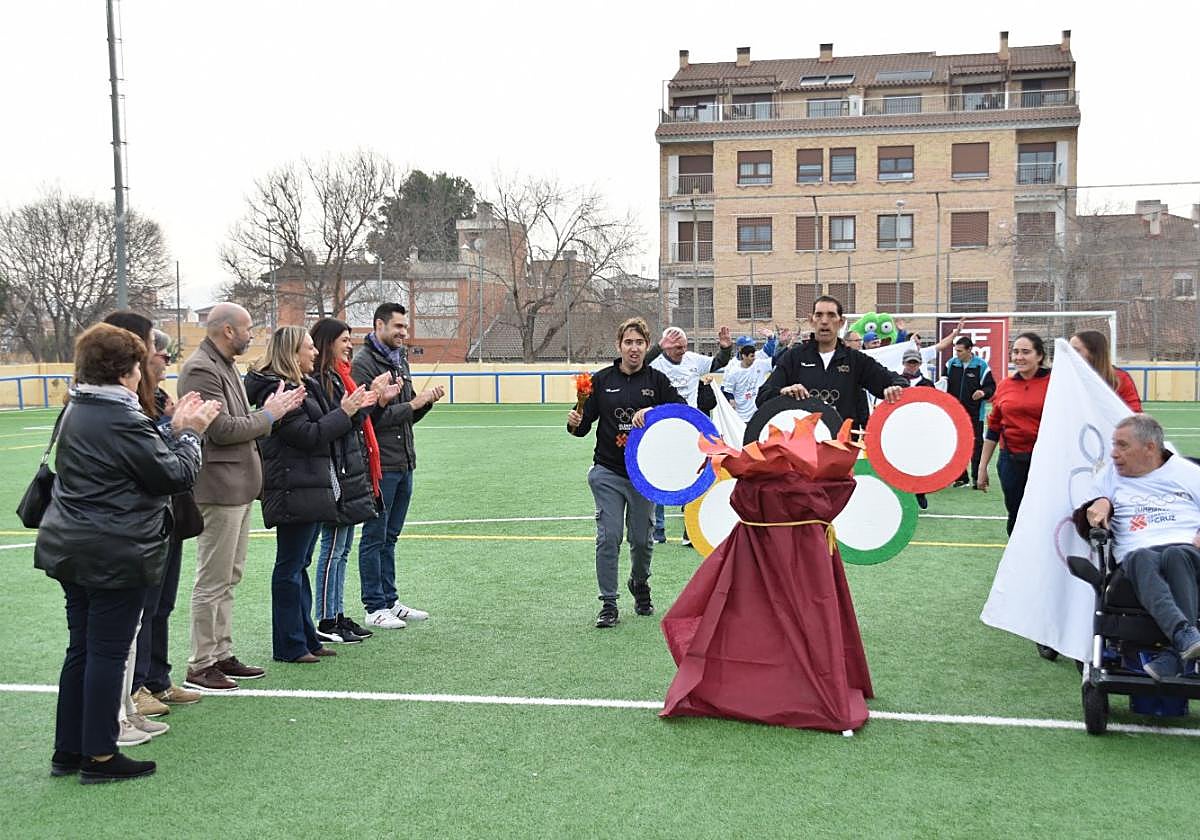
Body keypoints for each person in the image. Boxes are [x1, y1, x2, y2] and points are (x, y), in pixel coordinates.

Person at [35, 323, 219, 783]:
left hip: (73, 545)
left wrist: (171, 430)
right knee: (106, 652)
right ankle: (100, 755)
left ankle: (69, 749)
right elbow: (174, 475)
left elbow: (136, 461)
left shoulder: (78, 407)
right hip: (115, 549)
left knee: (82, 648)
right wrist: (191, 433)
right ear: (125, 371)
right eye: (139, 365)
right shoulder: (120, 416)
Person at [178, 303, 307, 692]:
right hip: (219, 487)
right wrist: (269, 415)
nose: (253, 334)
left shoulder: (223, 364)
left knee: (228, 576)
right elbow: (221, 430)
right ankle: (201, 662)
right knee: (213, 578)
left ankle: (221, 653)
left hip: (236, 487)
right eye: (248, 328)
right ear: (228, 331)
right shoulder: (202, 368)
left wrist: (267, 415)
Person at [245, 326, 377, 663]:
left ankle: (304, 638)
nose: (315, 352)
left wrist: (356, 409)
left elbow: (331, 425)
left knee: (299, 564)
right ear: (292, 352)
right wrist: (346, 412)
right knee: (290, 567)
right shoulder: (279, 390)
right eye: (308, 347)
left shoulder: (305, 384)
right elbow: (308, 435)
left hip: (309, 486)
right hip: (293, 488)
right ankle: (290, 645)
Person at [568, 316, 685, 628]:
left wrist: (653, 410)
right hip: (607, 472)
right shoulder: (601, 380)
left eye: (639, 342)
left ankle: (639, 582)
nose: (634, 348)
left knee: (642, 539)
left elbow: (681, 412)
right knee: (609, 536)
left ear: (647, 346)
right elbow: (581, 428)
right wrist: (574, 422)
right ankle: (608, 603)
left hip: (644, 475)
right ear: (618, 346)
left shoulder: (657, 381)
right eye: (628, 342)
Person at [1080, 414, 1200, 679]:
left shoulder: (1189, 473)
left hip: (1188, 553)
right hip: (1137, 556)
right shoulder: (1109, 477)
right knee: (1139, 557)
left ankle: (1180, 643)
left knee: (1176, 555)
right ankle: (1183, 639)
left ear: (1150, 448)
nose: (1114, 453)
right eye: (1113, 444)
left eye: (1122, 445)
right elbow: (1085, 516)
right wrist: (1101, 503)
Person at [352, 303, 445, 630]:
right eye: (398, 327)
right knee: (374, 536)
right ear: (379, 326)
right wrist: (414, 404)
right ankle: (374, 606)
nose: (403, 333)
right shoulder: (364, 365)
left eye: (405, 327)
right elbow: (368, 419)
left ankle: (390, 600)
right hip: (380, 464)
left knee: (390, 535)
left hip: (404, 461)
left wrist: (425, 403)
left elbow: (406, 414)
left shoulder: (399, 360)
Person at [129, 330, 205, 718]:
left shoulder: (157, 397)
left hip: (168, 513)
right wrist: (179, 428)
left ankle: (157, 678)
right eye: (162, 354)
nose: (167, 362)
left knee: (162, 604)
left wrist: (180, 424)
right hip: (141, 519)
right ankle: (136, 686)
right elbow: (151, 456)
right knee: (142, 608)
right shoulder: (128, 404)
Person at [310, 318, 397, 644]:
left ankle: (337, 613)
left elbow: (353, 421)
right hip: (337, 473)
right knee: (333, 549)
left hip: (351, 470)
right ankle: (326, 619)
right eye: (344, 340)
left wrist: (375, 401)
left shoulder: (339, 376)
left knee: (342, 548)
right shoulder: (322, 380)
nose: (349, 346)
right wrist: (363, 402)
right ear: (327, 343)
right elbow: (334, 424)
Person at [757, 295, 906, 429]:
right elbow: (763, 396)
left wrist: (895, 388)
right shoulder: (793, 357)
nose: (824, 321)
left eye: (831, 315)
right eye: (819, 315)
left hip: (844, 446)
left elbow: (899, 382)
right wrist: (783, 392)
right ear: (811, 320)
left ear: (841, 322)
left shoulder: (856, 360)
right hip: (803, 446)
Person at [648, 325, 733, 545]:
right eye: (678, 347)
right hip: (662, 429)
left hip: (690, 430)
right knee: (659, 476)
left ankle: (689, 531)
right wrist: (657, 348)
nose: (682, 351)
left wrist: (725, 349)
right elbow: (637, 366)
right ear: (666, 347)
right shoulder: (655, 363)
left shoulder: (693, 360)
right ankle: (658, 530)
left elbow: (717, 363)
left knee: (692, 477)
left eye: (685, 346)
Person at [977, 332, 1050, 535]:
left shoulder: (1056, 383)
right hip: (1011, 461)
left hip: (1046, 463)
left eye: (1026, 352)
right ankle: (1017, 554)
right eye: (1015, 352)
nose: (1019, 357)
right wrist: (982, 467)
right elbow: (994, 428)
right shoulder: (1005, 385)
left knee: (1045, 516)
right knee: (1016, 516)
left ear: (1039, 355)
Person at [945, 335, 996, 488]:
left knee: (976, 445)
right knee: (956, 444)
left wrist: (983, 392)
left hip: (975, 414)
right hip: (954, 413)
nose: (957, 354)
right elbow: (943, 383)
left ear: (969, 350)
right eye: (956, 351)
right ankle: (961, 478)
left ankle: (976, 478)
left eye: (960, 351)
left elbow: (991, 387)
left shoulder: (981, 366)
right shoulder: (951, 364)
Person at [1070, 329, 1142, 412]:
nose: (1070, 354)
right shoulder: (1063, 376)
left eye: (1076, 350)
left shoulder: (1120, 378)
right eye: (1069, 349)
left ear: (1094, 353)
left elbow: (1134, 413)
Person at [899, 347, 935, 509]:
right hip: (901, 427)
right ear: (903, 363)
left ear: (920, 364)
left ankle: (920, 492)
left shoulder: (928, 384)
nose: (912, 366)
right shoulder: (896, 382)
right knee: (901, 461)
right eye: (909, 363)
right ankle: (904, 494)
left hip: (922, 429)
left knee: (920, 462)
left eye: (915, 363)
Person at [721, 336, 776, 421]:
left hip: (758, 407)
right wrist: (730, 400)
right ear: (741, 349)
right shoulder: (732, 366)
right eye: (749, 345)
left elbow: (769, 352)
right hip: (742, 409)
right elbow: (725, 388)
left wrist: (771, 338)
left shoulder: (756, 357)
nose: (752, 347)